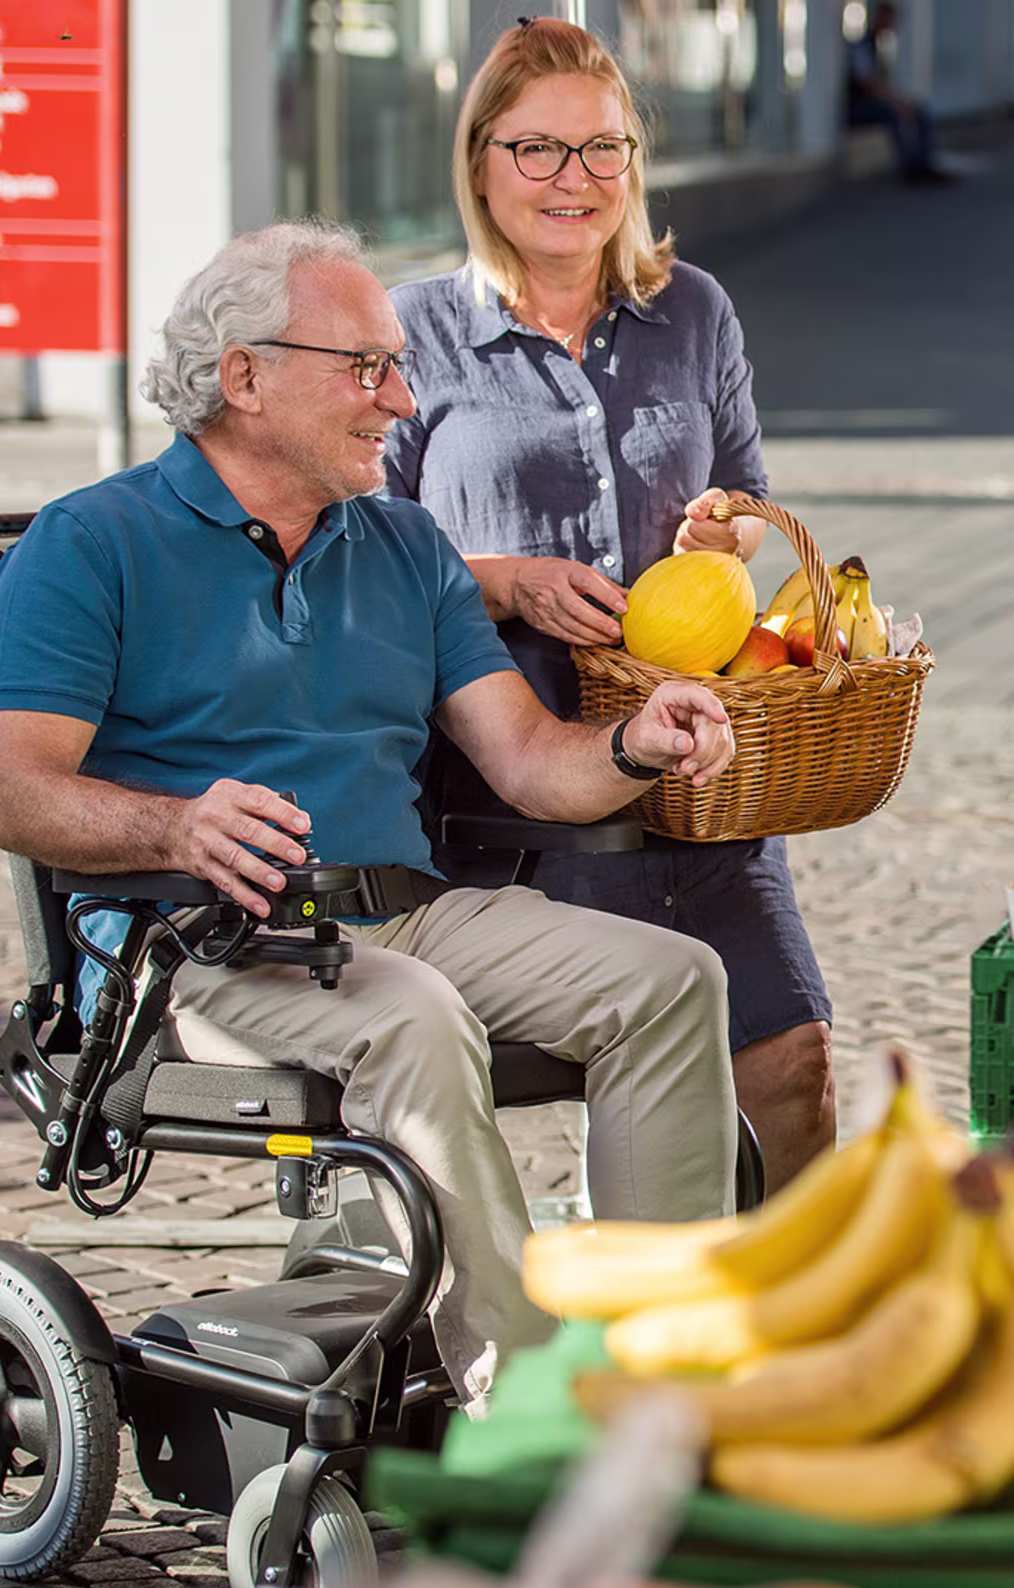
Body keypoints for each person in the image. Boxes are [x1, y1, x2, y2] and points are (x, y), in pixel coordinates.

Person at [0, 218, 741, 1413]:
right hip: (200, 949)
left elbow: (533, 763)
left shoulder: (403, 544)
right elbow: (17, 794)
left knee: (672, 977)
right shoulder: (92, 544)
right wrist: (177, 829)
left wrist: (637, 747)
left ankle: (668, 1380)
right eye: (367, 367)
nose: (402, 396)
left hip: (402, 917)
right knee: (416, 1020)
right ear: (245, 377)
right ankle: (530, 1409)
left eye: (397, 363)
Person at [384, 17, 835, 1192]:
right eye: (537, 150)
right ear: (480, 160)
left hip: (692, 765)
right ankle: (624, 1309)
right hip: (507, 780)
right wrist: (499, 582)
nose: (572, 181)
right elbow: (360, 560)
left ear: (634, 163)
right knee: (609, 1060)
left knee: (791, 1065)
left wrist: (720, 535)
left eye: (601, 150)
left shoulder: (693, 310)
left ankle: (802, 1328)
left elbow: (747, 498)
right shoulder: (411, 332)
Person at [844, 2, 955, 185]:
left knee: (920, 111)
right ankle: (910, 167)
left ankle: (923, 163)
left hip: (875, 101)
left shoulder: (884, 48)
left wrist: (901, 101)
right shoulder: (863, 46)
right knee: (894, 113)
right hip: (858, 106)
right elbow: (868, 83)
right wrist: (897, 102)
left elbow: (883, 82)